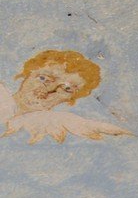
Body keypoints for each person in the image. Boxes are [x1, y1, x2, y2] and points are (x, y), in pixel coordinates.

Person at [0, 49, 130, 142]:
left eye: (66, 88)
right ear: (27, 74)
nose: (50, 89)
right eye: (44, 78)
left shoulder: (52, 121)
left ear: (71, 99)